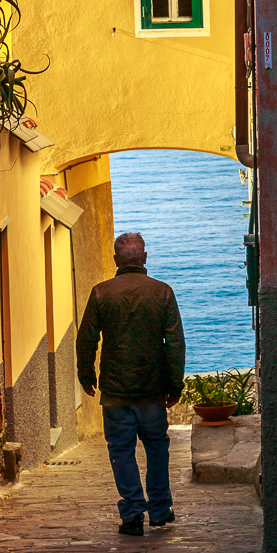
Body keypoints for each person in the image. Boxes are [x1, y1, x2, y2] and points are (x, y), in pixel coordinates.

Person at [76, 230, 186, 536]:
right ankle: (161, 510)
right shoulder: (162, 292)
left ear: (116, 260)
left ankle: (133, 512)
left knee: (121, 451)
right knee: (157, 448)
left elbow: (86, 338)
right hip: (152, 389)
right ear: (145, 258)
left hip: (115, 390)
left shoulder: (101, 292)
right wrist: (175, 385)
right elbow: (175, 343)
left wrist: (86, 375)